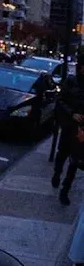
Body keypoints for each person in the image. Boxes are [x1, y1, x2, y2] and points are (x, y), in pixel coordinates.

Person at [51, 52, 84, 205]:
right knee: (62, 153)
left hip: (81, 128)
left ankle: (65, 190)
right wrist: (72, 114)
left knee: (75, 160)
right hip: (69, 125)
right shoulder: (71, 82)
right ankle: (57, 173)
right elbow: (60, 100)